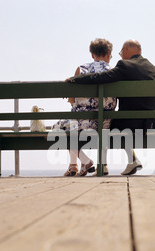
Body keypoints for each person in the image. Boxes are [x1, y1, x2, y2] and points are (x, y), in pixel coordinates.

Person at [68, 40, 155, 176]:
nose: (121, 56)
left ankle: (103, 166)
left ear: (126, 51)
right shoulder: (153, 68)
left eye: (121, 53)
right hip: (151, 123)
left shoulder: (125, 65)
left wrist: (75, 79)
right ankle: (132, 160)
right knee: (110, 121)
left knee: (106, 126)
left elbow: (101, 77)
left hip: (130, 122)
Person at [51, 38, 116, 176]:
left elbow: (72, 100)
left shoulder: (82, 69)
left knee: (58, 128)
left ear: (92, 54)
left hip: (83, 124)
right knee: (71, 123)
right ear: (109, 53)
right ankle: (74, 165)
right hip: (106, 123)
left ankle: (85, 161)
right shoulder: (114, 72)